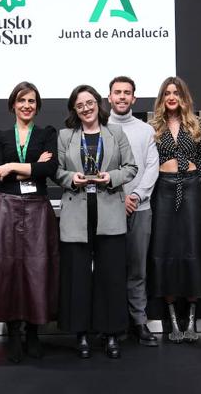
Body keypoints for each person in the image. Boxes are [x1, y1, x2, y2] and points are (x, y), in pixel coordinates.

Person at [0, 81, 59, 363]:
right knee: (8, 271)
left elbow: (49, 169)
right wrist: (31, 167)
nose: (27, 105)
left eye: (32, 101)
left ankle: (33, 333)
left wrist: (11, 166)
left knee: (37, 270)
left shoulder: (47, 133)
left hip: (37, 209)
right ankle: (13, 335)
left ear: (37, 106)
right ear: (13, 104)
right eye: (22, 100)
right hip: (7, 208)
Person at [55, 84, 137, 359]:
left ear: (98, 104)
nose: (86, 108)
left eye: (90, 103)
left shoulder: (115, 132)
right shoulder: (66, 135)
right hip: (76, 212)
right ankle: (81, 334)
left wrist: (111, 177)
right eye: (80, 105)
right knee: (77, 276)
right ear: (74, 110)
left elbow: (131, 167)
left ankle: (112, 333)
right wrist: (70, 179)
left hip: (110, 210)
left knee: (111, 276)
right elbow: (57, 170)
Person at [148, 76, 201, 343]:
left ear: (183, 96)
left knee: (192, 248)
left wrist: (197, 179)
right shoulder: (153, 126)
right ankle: (172, 323)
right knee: (164, 250)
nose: (171, 96)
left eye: (176, 92)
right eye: (167, 92)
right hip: (163, 190)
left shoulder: (195, 124)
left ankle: (191, 321)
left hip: (191, 189)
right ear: (162, 98)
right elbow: (147, 161)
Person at [107, 76, 159, 347]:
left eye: (127, 93)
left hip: (141, 207)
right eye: (118, 93)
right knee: (111, 268)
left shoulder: (146, 130)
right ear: (109, 98)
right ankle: (114, 324)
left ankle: (139, 321)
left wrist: (136, 196)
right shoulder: (100, 128)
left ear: (134, 98)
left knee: (138, 269)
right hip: (108, 208)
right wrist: (121, 197)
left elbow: (152, 167)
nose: (123, 97)